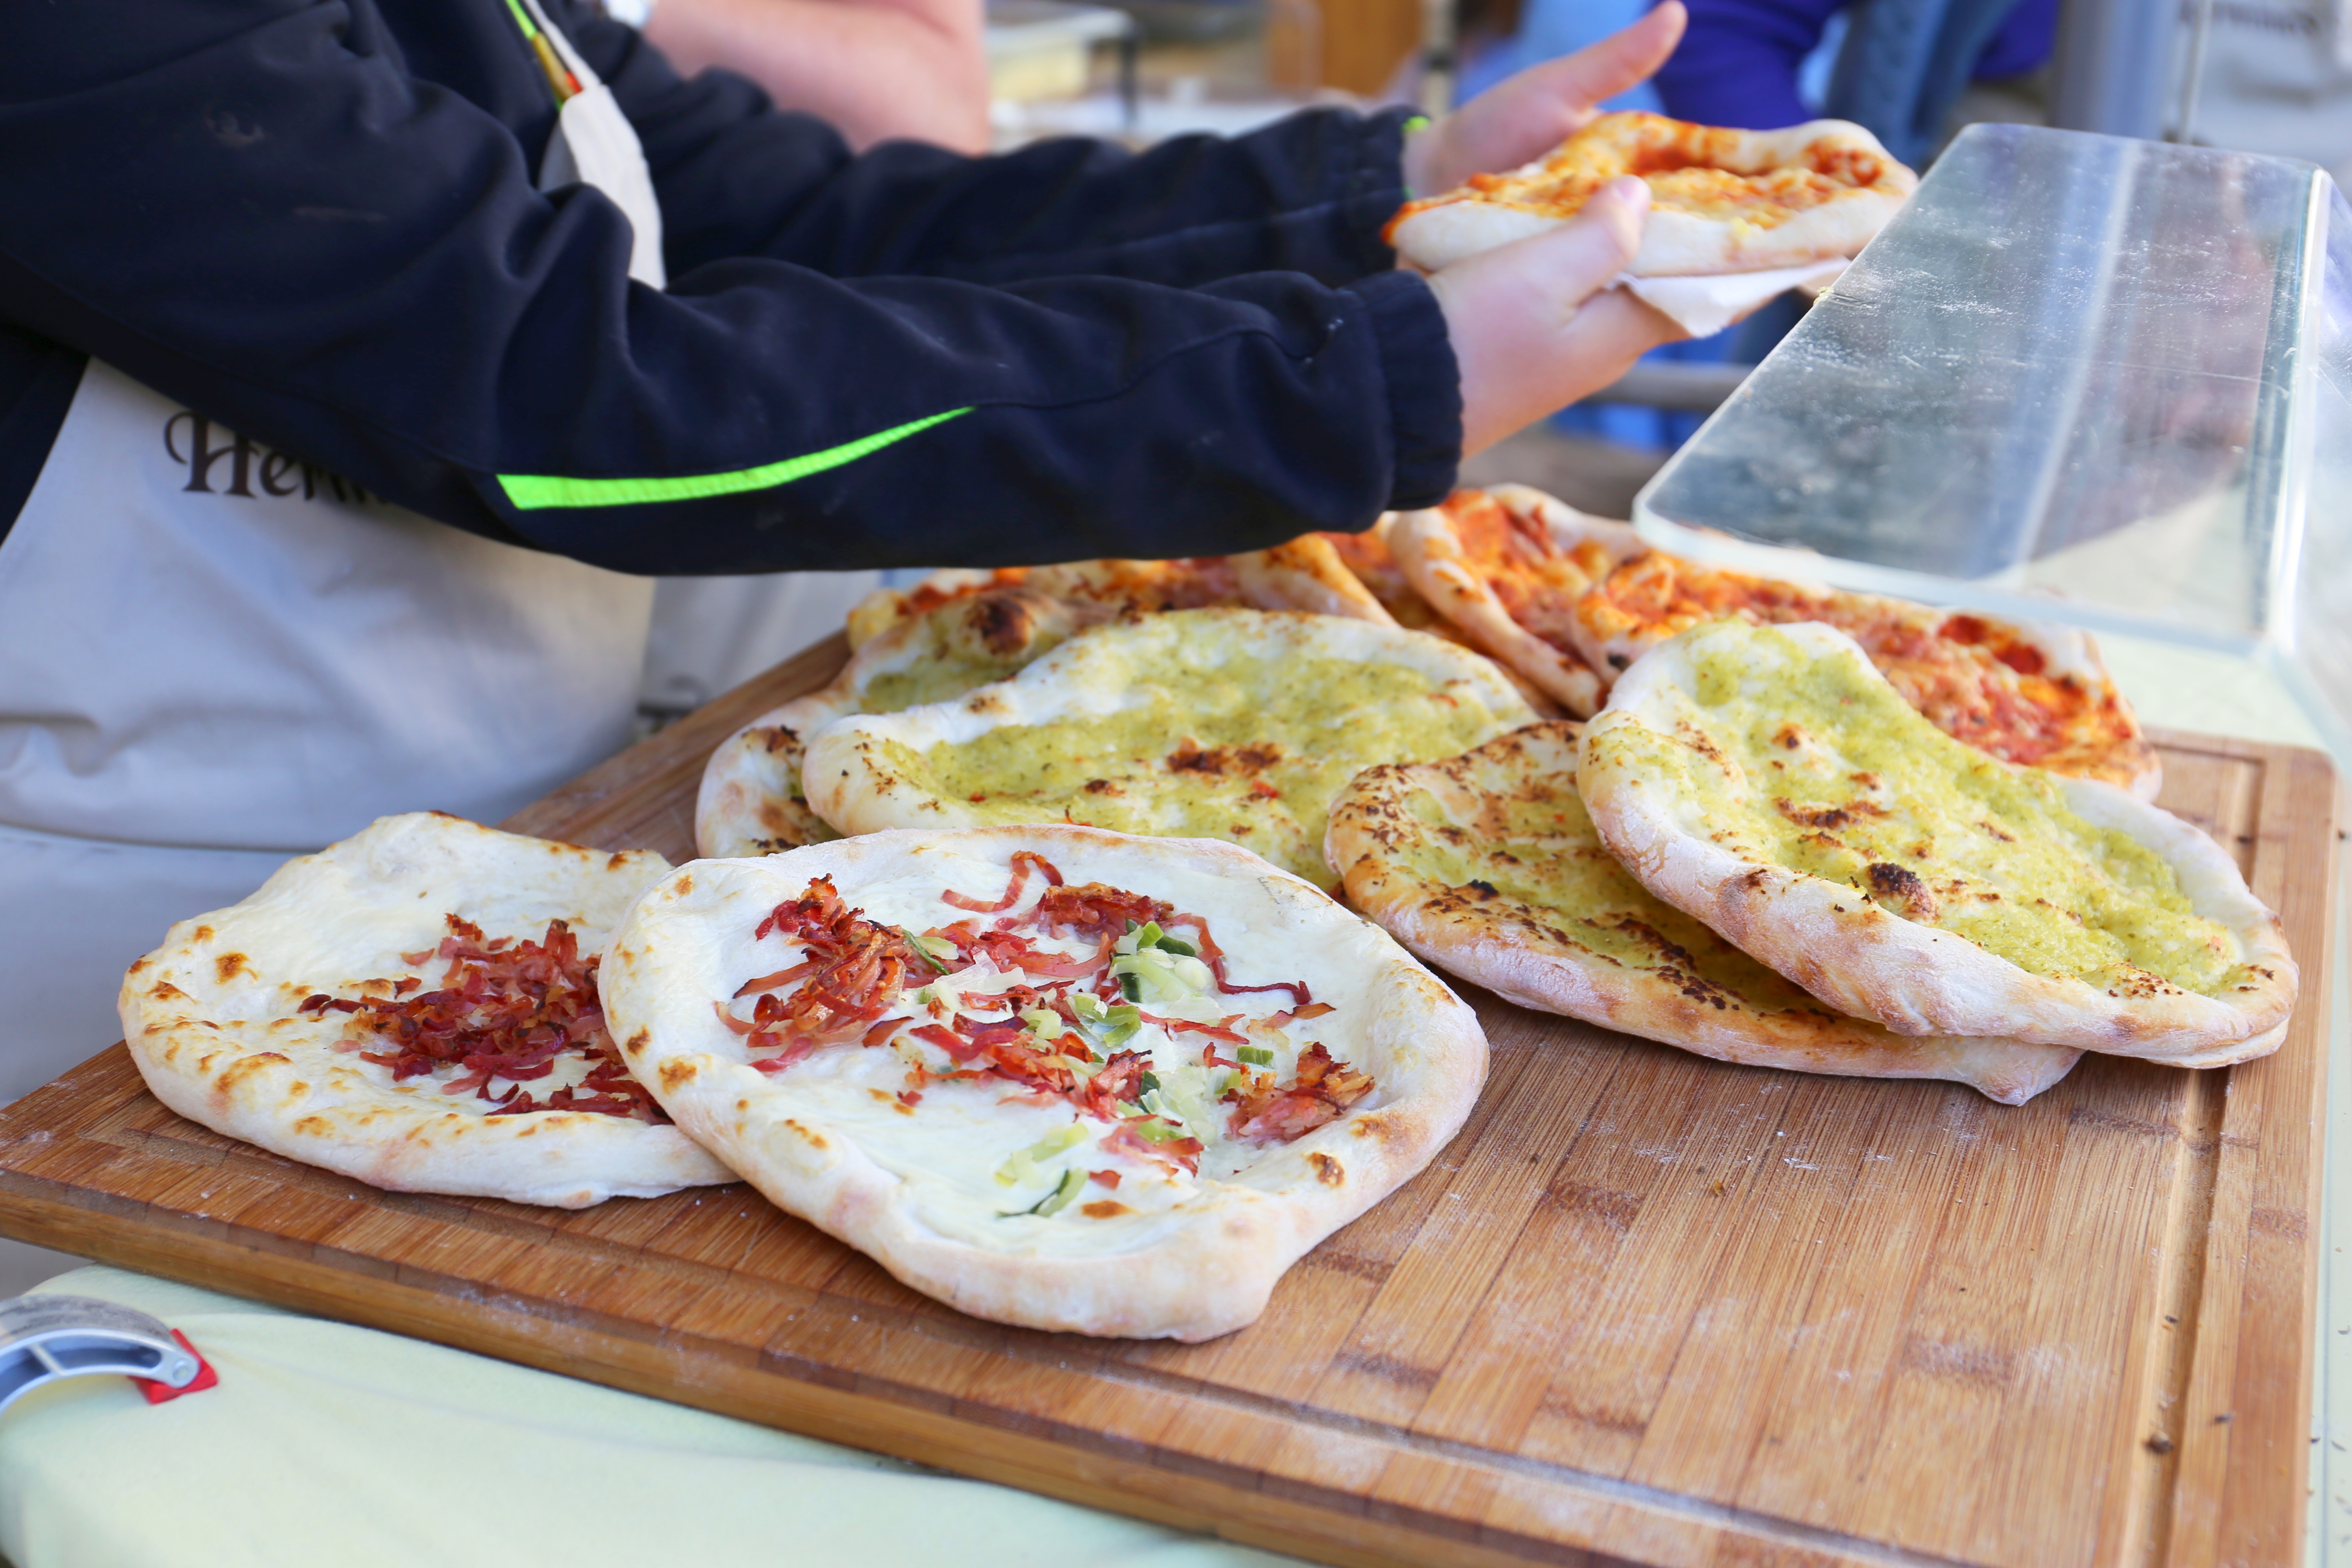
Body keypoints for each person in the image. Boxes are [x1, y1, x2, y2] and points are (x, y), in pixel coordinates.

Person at [0, 0, 1687, 1106]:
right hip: (126, 962)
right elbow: (565, 402)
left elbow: (810, 210)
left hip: (516, 865)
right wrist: (1345, 388)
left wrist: (1376, 195)